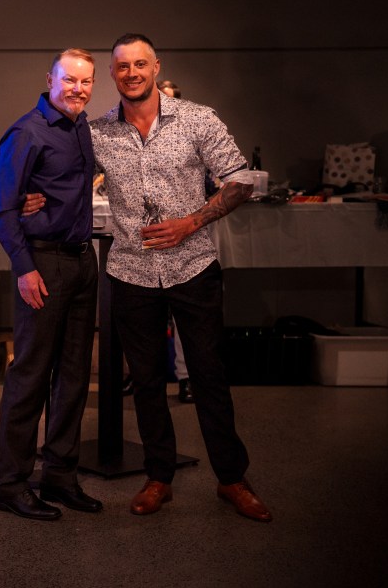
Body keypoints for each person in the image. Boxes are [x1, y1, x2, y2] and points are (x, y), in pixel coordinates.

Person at [92, 33, 271, 522]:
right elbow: (65, 179)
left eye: (140, 64)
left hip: (193, 267)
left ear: (156, 67)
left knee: (209, 375)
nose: (132, 73)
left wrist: (191, 222)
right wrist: (33, 196)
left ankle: (232, 479)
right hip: (131, 271)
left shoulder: (197, 118)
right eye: (123, 66)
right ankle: (159, 477)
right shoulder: (98, 133)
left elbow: (240, 178)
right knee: (146, 380)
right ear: (113, 74)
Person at [0, 49, 102, 521]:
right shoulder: (27, 132)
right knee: (31, 376)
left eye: (86, 81)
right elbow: (2, 210)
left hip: (81, 262)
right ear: (50, 79)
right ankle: (11, 484)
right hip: (44, 264)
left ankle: (59, 475)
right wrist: (25, 268)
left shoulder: (82, 127)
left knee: (74, 377)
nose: (78, 88)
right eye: (69, 79)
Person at [157, 79, 195, 404]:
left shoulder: (188, 134)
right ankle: (138, 375)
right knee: (144, 316)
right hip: (145, 242)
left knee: (184, 317)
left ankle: (185, 377)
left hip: (184, 240)